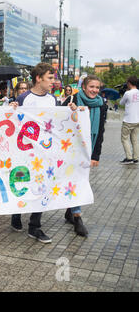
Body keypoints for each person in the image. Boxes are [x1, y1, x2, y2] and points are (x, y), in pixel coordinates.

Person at [9, 63, 61, 244]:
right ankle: (16, 214)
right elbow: (13, 123)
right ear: (38, 78)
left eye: (53, 78)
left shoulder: (53, 100)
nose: (53, 82)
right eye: (50, 78)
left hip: (44, 153)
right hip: (24, 152)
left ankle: (34, 226)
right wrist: (11, 109)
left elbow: (58, 122)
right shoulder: (24, 98)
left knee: (42, 186)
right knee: (22, 183)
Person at [64, 75, 107, 236]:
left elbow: (101, 130)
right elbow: (59, 116)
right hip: (71, 147)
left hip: (89, 147)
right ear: (84, 87)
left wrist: (96, 155)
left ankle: (71, 211)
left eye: (97, 88)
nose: (95, 90)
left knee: (80, 179)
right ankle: (77, 218)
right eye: (91, 87)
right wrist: (70, 109)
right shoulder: (74, 98)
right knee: (77, 179)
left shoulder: (101, 104)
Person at [119, 76, 139, 164]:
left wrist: (124, 93)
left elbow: (121, 103)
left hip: (128, 120)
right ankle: (136, 157)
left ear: (129, 83)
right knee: (135, 140)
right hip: (137, 120)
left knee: (124, 139)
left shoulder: (128, 93)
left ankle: (129, 157)